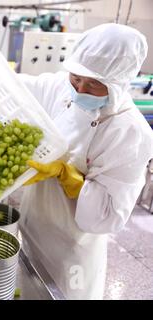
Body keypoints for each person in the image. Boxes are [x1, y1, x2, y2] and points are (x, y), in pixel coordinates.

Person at [19, 23, 153, 299]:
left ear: (117, 85)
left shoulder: (130, 132)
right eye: (76, 78)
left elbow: (109, 216)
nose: (80, 89)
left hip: (71, 249)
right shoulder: (61, 87)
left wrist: (69, 177)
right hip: (30, 226)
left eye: (93, 85)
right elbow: (15, 87)